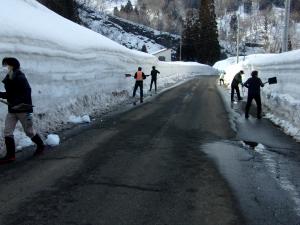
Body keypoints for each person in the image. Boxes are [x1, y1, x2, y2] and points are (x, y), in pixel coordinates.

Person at [0, 57, 45, 164]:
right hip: (12, 110)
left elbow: (27, 92)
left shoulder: (20, 77)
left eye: (8, 65)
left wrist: (16, 102)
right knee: (7, 131)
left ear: (13, 66)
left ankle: (41, 145)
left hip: (23, 109)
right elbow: (10, 94)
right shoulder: (10, 77)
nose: (7, 67)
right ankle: (10, 156)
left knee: (29, 131)